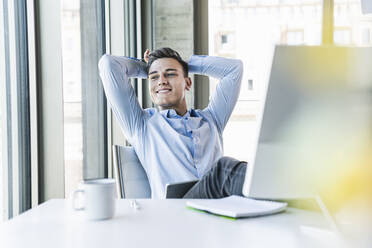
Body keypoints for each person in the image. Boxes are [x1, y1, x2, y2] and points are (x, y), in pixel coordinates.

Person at [98, 47, 247, 199]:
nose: (162, 81)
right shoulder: (141, 126)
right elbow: (108, 64)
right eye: (154, 78)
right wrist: (146, 67)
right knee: (223, 170)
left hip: (218, 211)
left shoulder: (212, 119)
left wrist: (185, 65)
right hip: (176, 211)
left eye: (170, 74)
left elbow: (235, 69)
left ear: (187, 83)